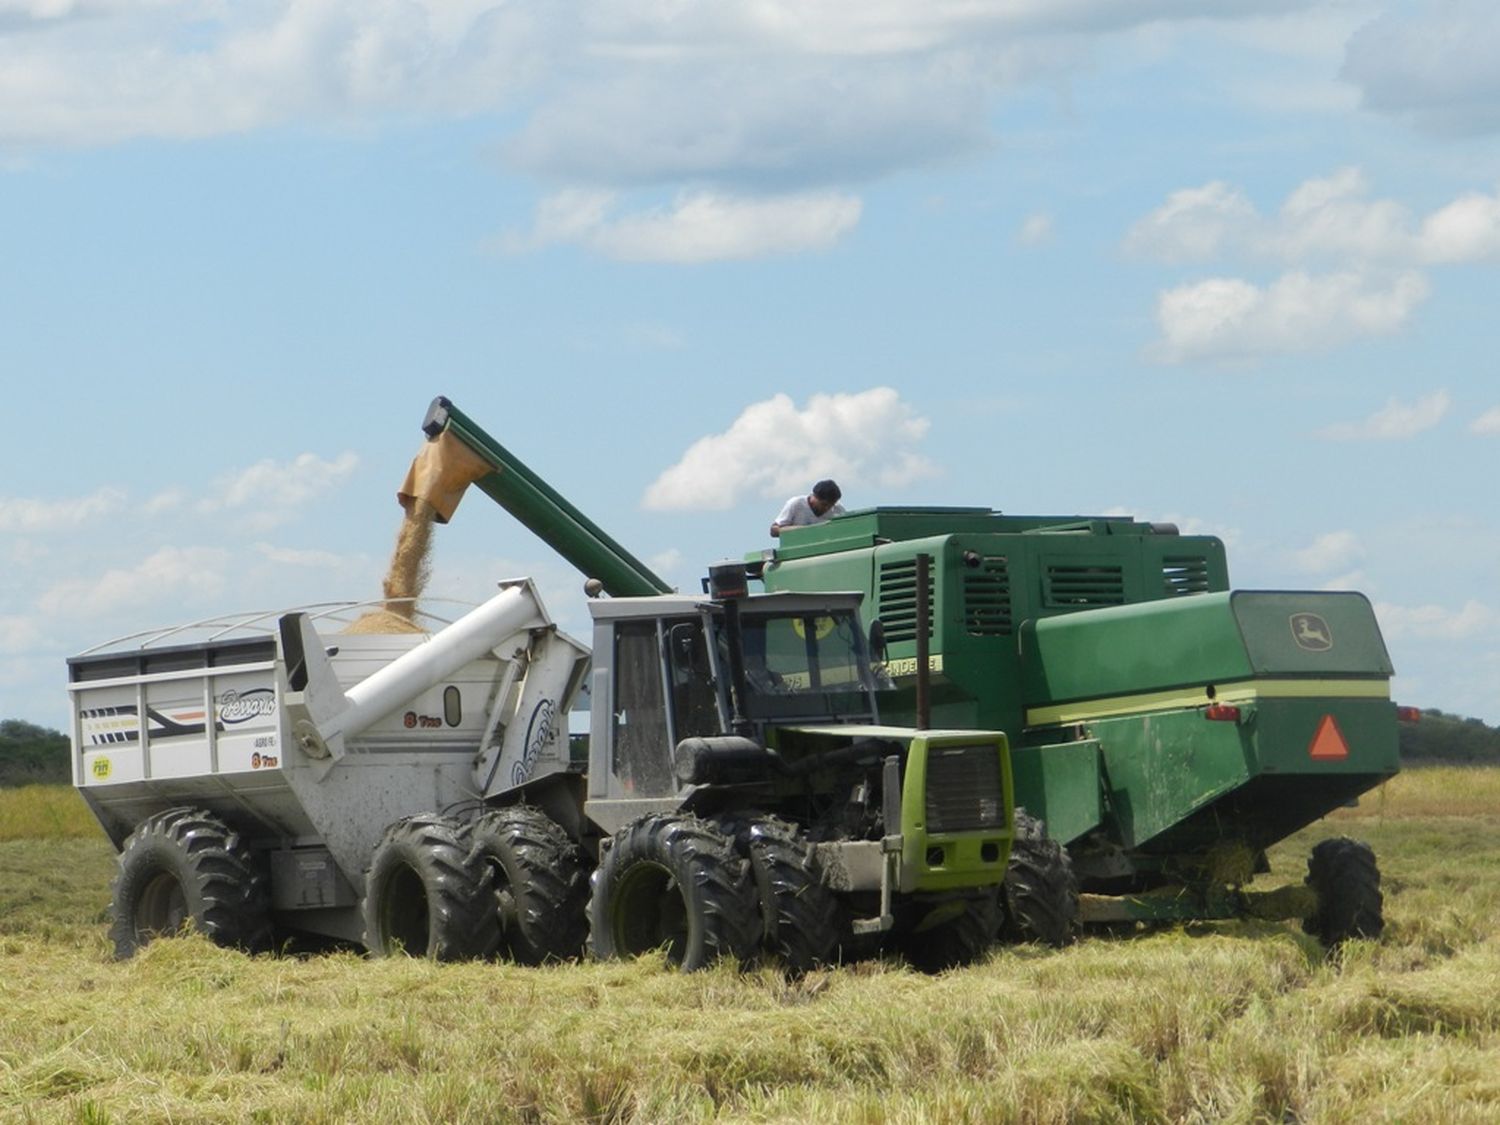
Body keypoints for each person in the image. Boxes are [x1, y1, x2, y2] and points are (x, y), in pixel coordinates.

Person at [770, 480, 844, 538]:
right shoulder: (796, 504)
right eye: (824, 504)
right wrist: (802, 530)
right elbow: (774, 530)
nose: (827, 508)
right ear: (814, 497)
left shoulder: (837, 509)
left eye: (831, 505)